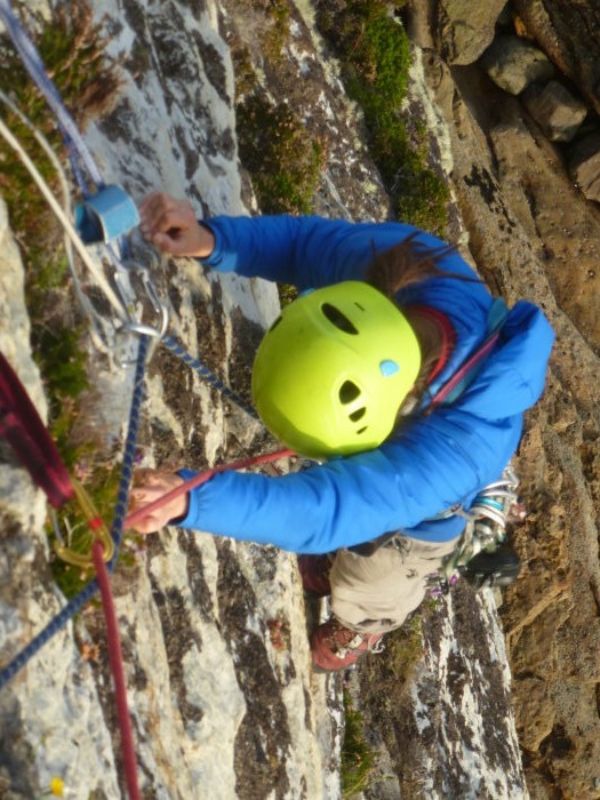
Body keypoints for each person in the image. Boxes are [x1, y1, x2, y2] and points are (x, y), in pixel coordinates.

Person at [131, 192, 555, 672]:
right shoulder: (407, 266)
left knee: (373, 576)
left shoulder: (457, 449)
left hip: (425, 521)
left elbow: (329, 510)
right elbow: (306, 245)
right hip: (424, 429)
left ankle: (365, 624)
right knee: (355, 531)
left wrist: (190, 500)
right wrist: (214, 238)